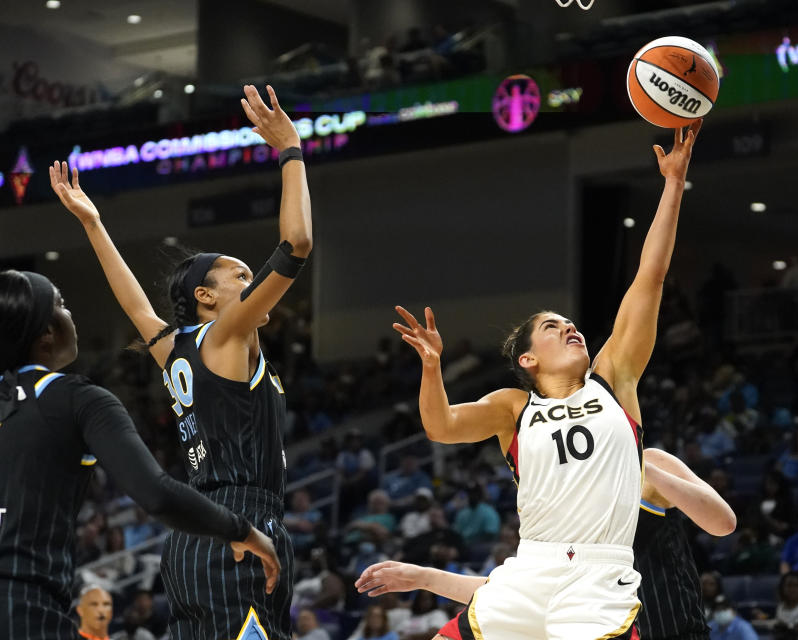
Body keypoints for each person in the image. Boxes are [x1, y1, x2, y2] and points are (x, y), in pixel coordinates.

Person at [391, 121, 702, 639]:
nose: (571, 328)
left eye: (571, 323)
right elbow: (441, 426)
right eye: (555, 329)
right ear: (529, 359)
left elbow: (650, 276)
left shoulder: (614, 379)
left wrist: (672, 184)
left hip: (598, 573)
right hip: (529, 570)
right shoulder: (513, 407)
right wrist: (431, 369)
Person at [50, 84, 311, 640]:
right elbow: (298, 243)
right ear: (207, 299)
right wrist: (291, 149)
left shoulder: (178, 349)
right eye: (239, 275)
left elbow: (136, 306)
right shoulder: (226, 335)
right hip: (242, 527)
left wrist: (93, 223)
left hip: (195, 537)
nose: (251, 281)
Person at [0, 270, 279, 639]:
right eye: (62, 305)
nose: (70, 314)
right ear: (47, 331)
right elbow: (158, 494)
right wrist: (242, 530)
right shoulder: (77, 399)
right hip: (24, 607)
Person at [357, 448, 736, 640]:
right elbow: (519, 594)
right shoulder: (556, 507)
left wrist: (634, 462)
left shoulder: (648, 464)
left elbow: (723, 523)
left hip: (671, 631)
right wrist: (424, 577)